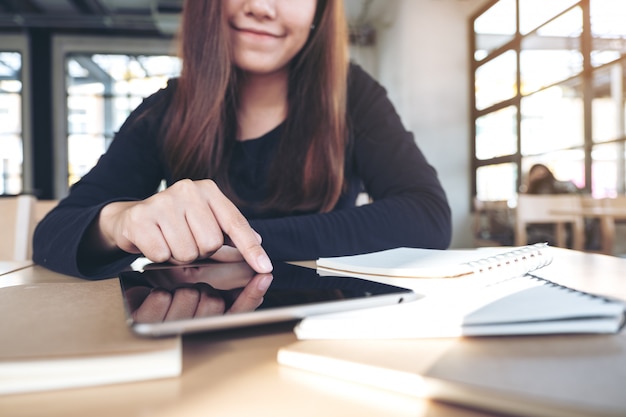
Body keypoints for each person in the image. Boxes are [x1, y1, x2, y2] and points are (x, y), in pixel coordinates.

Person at [33, 0, 452, 280]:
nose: (262, 7)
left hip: (328, 320)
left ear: (320, 11)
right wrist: (120, 221)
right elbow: (53, 234)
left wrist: (242, 238)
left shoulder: (352, 95)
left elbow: (427, 216)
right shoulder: (164, 109)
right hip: (196, 330)